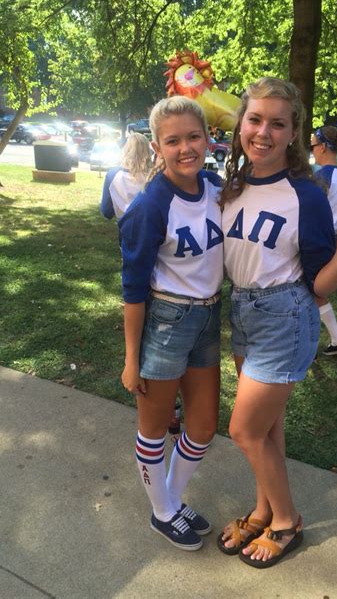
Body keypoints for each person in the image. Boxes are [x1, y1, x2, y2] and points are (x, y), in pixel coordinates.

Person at [217, 77, 337, 568]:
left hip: (287, 317)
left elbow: (320, 285)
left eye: (277, 124)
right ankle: (263, 510)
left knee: (243, 431)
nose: (263, 132)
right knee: (266, 430)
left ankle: (286, 522)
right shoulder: (233, 186)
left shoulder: (305, 193)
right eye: (255, 119)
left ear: (293, 133)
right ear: (240, 122)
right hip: (243, 312)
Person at [119, 96, 223, 551]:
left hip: (208, 316)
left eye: (193, 136)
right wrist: (130, 359)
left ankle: (171, 500)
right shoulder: (150, 204)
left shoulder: (218, 189)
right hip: (165, 319)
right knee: (155, 427)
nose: (186, 148)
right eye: (173, 140)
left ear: (207, 138)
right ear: (158, 148)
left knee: (202, 426)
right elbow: (133, 289)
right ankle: (162, 512)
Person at [311, 125, 337, 355]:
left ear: (324, 147)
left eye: (313, 146)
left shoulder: (321, 177)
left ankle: (336, 341)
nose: (312, 151)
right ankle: (336, 341)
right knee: (314, 290)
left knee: (313, 290)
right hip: (333, 240)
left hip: (319, 241)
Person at [100, 132, 152, 220]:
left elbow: (106, 212)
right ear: (147, 150)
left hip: (125, 227)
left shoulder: (112, 175)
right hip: (152, 226)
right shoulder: (155, 175)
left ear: (126, 149)